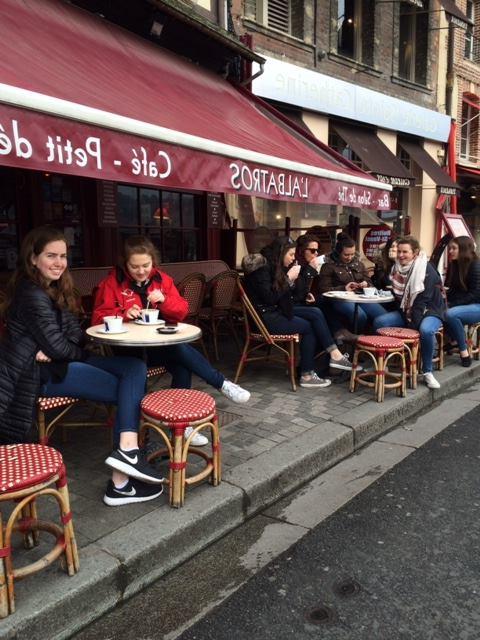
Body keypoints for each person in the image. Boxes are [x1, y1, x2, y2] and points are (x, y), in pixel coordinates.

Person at [0, 226, 164, 507]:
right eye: (51, 255)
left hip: (60, 363)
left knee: (134, 367)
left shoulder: (53, 288)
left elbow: (76, 332)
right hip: (39, 375)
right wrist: (61, 349)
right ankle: (120, 483)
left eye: (63, 256)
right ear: (32, 259)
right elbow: (60, 347)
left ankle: (127, 454)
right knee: (130, 389)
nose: (59, 263)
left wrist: (63, 347)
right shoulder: (32, 294)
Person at [92, 235, 250, 447]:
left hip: (156, 347)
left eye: (146, 265)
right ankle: (220, 383)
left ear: (153, 262)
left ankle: (185, 421)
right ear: (124, 264)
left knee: (180, 361)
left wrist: (164, 300)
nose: (141, 271)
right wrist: (123, 312)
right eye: (134, 266)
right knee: (179, 359)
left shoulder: (162, 281)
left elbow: (182, 311)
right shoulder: (112, 283)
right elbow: (97, 318)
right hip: (127, 352)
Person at [243, 239, 355, 390]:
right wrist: (289, 279)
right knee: (309, 326)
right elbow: (270, 298)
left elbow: (287, 295)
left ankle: (331, 357)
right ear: (280, 253)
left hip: (276, 310)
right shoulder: (263, 269)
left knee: (315, 312)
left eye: (294, 254)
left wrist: (300, 287)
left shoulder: (276, 266)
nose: (292, 258)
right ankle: (308, 373)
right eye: (290, 254)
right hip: (265, 318)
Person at [372, 236, 446, 389]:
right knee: (380, 322)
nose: (400, 255)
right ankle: (382, 364)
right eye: (399, 251)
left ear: (415, 252)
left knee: (425, 330)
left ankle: (427, 372)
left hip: (430, 310)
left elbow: (421, 302)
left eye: (405, 252)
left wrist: (412, 327)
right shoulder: (396, 268)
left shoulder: (426, 269)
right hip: (407, 311)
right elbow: (398, 298)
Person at [295, 233, 358, 344]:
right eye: (312, 251)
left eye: (317, 251)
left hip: (307, 299)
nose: (316, 254)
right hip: (295, 304)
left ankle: (339, 338)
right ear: (301, 250)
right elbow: (298, 290)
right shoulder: (296, 264)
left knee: (327, 303)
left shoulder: (309, 265)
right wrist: (310, 270)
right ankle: (337, 339)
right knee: (322, 306)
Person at [318, 233, 387, 331]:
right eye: (346, 254)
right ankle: (356, 339)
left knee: (382, 316)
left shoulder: (359, 264)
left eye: (352, 254)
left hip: (361, 297)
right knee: (360, 316)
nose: (350, 257)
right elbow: (323, 289)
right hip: (340, 300)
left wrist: (366, 284)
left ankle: (373, 340)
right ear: (338, 252)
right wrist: (343, 288)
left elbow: (370, 283)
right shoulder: (328, 266)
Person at [443, 236, 480, 368]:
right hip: (463, 304)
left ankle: (464, 352)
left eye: (454, 248)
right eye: (450, 248)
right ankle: (454, 341)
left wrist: (452, 304)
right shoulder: (455, 264)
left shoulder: (475, 265)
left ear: (463, 249)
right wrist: (443, 297)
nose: (450, 251)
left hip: (476, 305)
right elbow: (453, 290)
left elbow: (475, 294)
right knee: (439, 311)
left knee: (450, 314)